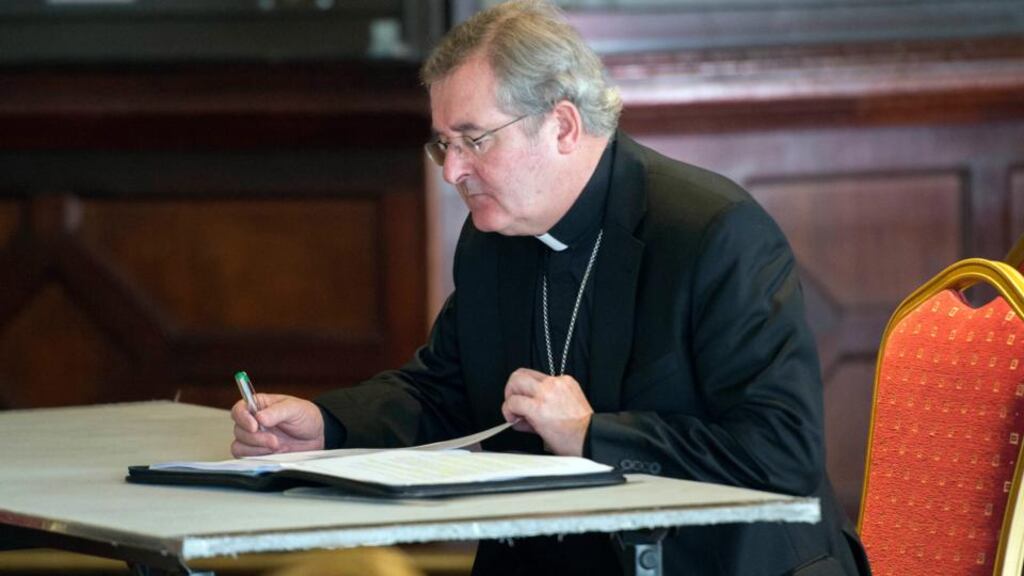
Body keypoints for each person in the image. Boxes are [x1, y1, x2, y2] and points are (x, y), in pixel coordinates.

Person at [230, 1, 870, 574]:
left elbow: (780, 454)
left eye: (474, 140)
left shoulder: (712, 234)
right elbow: (445, 389)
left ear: (562, 126)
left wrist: (594, 434)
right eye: (444, 145)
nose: (453, 171)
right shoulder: (494, 239)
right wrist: (328, 426)